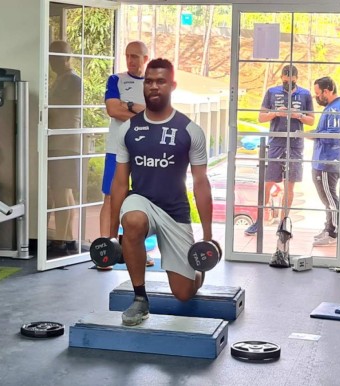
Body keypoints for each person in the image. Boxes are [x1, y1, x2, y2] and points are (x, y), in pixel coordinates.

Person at [110, 58, 214, 326]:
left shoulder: (189, 130)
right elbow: (120, 183)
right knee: (132, 220)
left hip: (175, 211)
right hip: (141, 201)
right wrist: (110, 235)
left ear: (172, 85)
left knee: (184, 293)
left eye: (160, 81)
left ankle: (195, 271)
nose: (154, 87)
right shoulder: (129, 130)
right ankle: (140, 298)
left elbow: (201, 182)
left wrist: (208, 236)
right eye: (149, 81)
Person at [99, 41, 151, 270]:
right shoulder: (116, 80)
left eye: (135, 56)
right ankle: (107, 251)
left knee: (144, 201)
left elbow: (157, 113)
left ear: (145, 59)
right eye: (128, 56)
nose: (131, 60)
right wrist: (140, 111)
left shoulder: (153, 83)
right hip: (116, 149)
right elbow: (113, 110)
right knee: (111, 198)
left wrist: (127, 106)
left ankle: (141, 252)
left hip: (144, 150)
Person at [244, 64, 315, 236]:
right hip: (276, 142)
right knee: (268, 182)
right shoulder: (272, 92)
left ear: (296, 79)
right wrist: (276, 113)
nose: (287, 84)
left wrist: (298, 115)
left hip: (295, 143)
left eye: (290, 82)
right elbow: (261, 117)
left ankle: (283, 224)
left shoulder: (305, 94)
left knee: (289, 184)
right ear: (281, 78)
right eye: (284, 81)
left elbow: (311, 121)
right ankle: (258, 221)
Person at [47, 40, 81, 255]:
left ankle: (61, 241)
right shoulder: (60, 80)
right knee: (63, 193)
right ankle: (68, 238)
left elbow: (59, 111)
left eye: (55, 57)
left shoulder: (72, 81)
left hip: (65, 143)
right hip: (58, 142)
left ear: (66, 58)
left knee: (61, 193)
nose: (52, 62)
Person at [311, 76, 340, 247]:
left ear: (327, 90)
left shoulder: (335, 109)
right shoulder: (333, 107)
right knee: (328, 199)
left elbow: (332, 135)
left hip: (326, 162)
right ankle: (328, 228)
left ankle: (333, 232)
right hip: (326, 161)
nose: (317, 97)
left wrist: (313, 134)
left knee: (330, 199)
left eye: (318, 93)